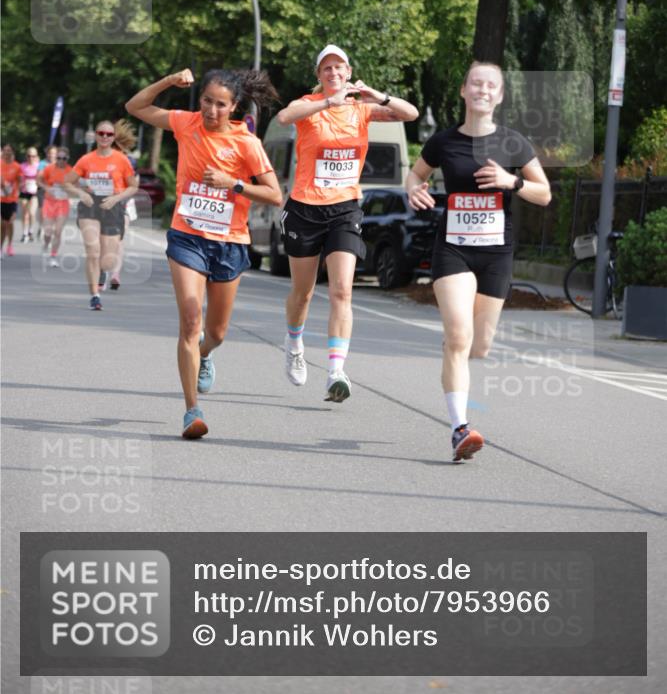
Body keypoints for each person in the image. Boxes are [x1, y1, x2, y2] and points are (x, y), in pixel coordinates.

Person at [125, 68, 282, 439]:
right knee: (191, 321)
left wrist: (235, 184)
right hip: (188, 236)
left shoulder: (247, 143)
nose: (212, 110)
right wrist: (167, 82)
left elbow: (275, 194)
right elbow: (135, 107)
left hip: (230, 242)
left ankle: (206, 355)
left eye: (221, 104)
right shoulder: (185, 123)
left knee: (216, 333)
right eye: (207, 100)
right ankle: (191, 410)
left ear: (234, 106)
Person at [406, 61, 551, 462]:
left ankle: (457, 352)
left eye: (491, 86)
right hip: (452, 247)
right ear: (464, 91)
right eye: (476, 83)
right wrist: (413, 189)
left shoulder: (513, 144)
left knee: (479, 346)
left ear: (499, 95)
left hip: (495, 252)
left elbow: (544, 193)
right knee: (458, 337)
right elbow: (415, 175)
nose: (483, 90)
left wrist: (513, 182)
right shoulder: (443, 142)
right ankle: (459, 429)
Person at [277, 44, 419, 402]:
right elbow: (284, 117)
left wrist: (379, 96)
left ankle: (336, 371)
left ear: (349, 70)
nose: (334, 73)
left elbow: (411, 114)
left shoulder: (362, 110)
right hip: (305, 209)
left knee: (342, 290)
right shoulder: (309, 105)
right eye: (326, 69)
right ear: (319, 76)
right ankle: (294, 342)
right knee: (303, 292)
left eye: (339, 67)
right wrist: (328, 102)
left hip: (345, 209)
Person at [64, 121, 139, 310]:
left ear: (113, 137)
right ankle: (94, 296)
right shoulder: (86, 159)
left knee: (108, 259)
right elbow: (67, 182)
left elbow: (133, 186)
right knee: (92, 250)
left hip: (112, 206)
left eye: (108, 134)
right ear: (96, 135)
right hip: (90, 205)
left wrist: (117, 199)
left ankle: (103, 271)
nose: (105, 137)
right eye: (101, 133)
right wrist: (81, 194)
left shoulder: (122, 160)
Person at [98, 119, 139, 292]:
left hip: (121, 204)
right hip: (109, 204)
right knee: (111, 241)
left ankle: (112, 274)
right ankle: (108, 273)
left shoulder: (127, 161)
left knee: (114, 240)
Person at [38, 146, 72, 266]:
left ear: (67, 158)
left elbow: (76, 187)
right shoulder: (49, 168)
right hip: (49, 202)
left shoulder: (70, 171)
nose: (61, 160)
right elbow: (39, 180)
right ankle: (46, 245)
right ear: (56, 157)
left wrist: (67, 189)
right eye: (59, 158)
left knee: (57, 231)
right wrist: (47, 187)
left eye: (64, 158)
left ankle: (53, 256)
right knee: (48, 232)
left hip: (63, 203)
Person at [1, 144, 21, 257]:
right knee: (2, 224)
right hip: (1, 198)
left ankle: (9, 245)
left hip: (11, 199)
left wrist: (14, 189)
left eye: (9, 151)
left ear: (12, 152)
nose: (7, 152)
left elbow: (19, 181)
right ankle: (0, 248)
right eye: (5, 150)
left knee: (9, 223)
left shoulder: (16, 166)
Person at [19, 147, 41, 241]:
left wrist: (37, 183)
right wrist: (22, 183)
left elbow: (42, 180)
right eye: (29, 156)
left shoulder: (38, 166)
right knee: (25, 214)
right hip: (24, 192)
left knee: (32, 213)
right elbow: (19, 179)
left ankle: (30, 231)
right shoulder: (22, 166)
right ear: (26, 156)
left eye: (33, 156)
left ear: (36, 156)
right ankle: (24, 233)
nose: (31, 158)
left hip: (34, 193)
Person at [37, 145, 58, 238]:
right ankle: (41, 227)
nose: (51, 155)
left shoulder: (59, 163)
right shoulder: (42, 163)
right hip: (43, 190)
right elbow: (38, 177)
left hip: (55, 190)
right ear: (47, 154)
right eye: (50, 153)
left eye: (53, 153)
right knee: (42, 210)